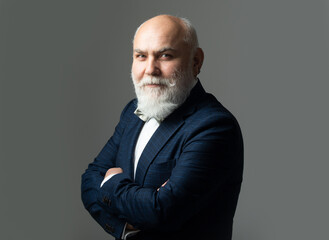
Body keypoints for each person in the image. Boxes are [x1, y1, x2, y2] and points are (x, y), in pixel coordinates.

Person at [81, 14, 243, 240]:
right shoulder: (132, 113)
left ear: (196, 61)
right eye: (141, 56)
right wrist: (126, 229)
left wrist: (110, 183)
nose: (150, 69)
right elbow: (89, 181)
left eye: (165, 56)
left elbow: (162, 211)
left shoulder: (214, 126)